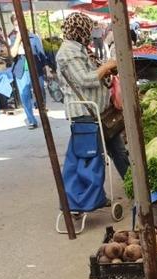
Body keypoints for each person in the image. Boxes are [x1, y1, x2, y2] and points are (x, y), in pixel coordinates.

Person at [55, 13, 128, 178]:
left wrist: (107, 70)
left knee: (119, 151)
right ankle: (93, 197)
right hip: (85, 115)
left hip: (100, 114)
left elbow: (94, 71)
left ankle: (134, 186)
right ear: (79, 30)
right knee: (95, 159)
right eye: (88, 30)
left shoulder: (80, 48)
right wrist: (108, 65)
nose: (91, 34)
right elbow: (85, 79)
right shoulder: (68, 52)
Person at [9, 16, 49, 129]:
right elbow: (12, 54)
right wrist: (18, 38)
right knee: (24, 94)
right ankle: (31, 120)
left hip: (36, 67)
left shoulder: (34, 37)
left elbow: (41, 54)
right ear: (14, 26)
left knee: (40, 91)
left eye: (20, 24)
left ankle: (42, 111)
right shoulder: (12, 38)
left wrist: (47, 69)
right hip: (21, 69)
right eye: (16, 25)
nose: (19, 27)